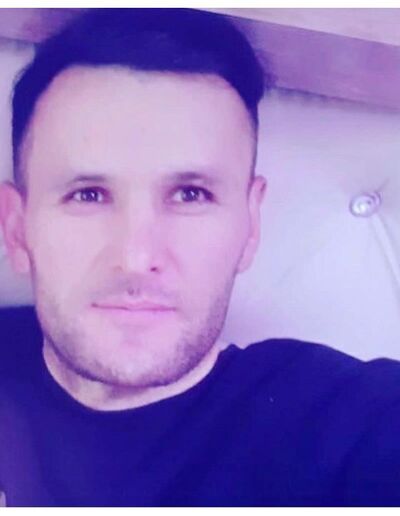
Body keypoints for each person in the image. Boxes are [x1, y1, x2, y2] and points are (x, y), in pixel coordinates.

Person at [0, 7, 399, 507]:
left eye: (191, 195)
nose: (136, 257)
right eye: (88, 195)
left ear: (250, 225)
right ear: (17, 229)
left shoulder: (352, 425)